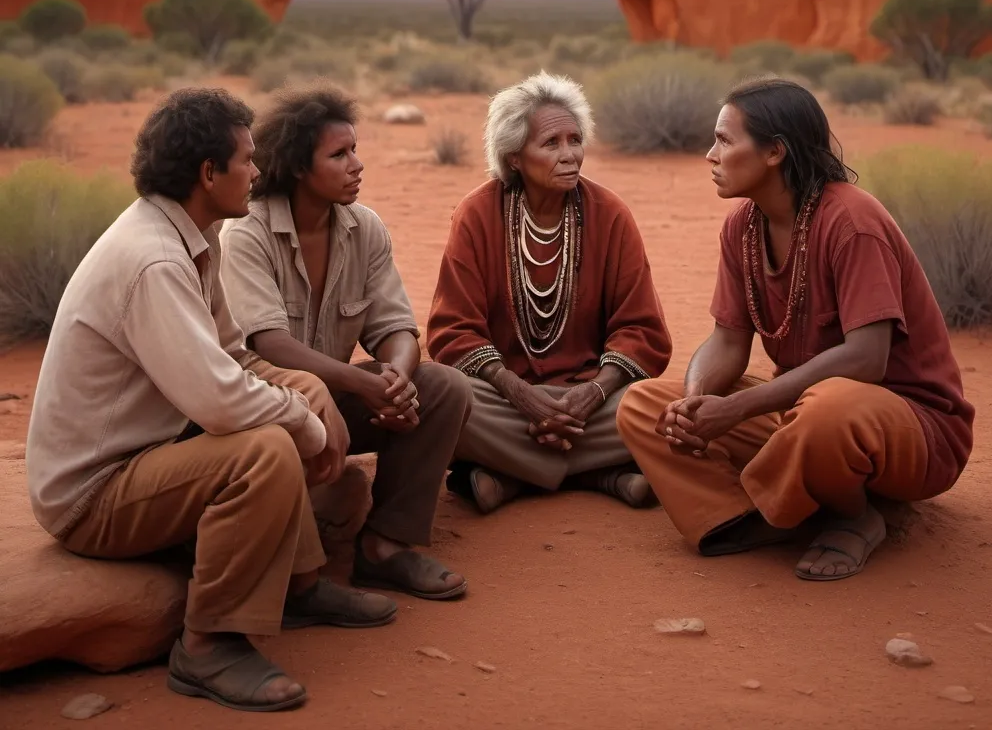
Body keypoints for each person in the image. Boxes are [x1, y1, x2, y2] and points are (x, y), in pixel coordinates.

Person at [26, 88, 396, 714]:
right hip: (92, 493)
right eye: (247, 160)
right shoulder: (154, 260)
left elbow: (238, 358)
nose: (257, 171)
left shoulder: (194, 234)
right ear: (208, 173)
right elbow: (221, 401)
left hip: (153, 452)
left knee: (290, 395)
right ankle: (208, 645)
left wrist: (307, 391)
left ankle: (299, 584)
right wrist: (306, 424)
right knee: (261, 451)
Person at [617, 77, 975, 581]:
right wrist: (697, 403)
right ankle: (757, 516)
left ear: (773, 152)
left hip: (910, 431)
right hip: (800, 416)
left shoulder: (852, 221)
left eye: (723, 140)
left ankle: (853, 516)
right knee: (644, 405)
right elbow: (726, 340)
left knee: (829, 409)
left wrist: (737, 407)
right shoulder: (742, 226)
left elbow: (866, 359)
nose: (708, 155)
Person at [219, 84, 472, 602]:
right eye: (339, 155)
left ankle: (385, 545)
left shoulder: (365, 229)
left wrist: (397, 378)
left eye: (354, 150)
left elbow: (397, 327)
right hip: (267, 407)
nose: (357, 165)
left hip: (335, 399)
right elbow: (267, 343)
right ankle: (299, 577)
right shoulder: (247, 234)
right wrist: (365, 382)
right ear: (295, 166)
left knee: (443, 388)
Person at [426, 72, 672, 514]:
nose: (570, 155)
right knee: (443, 399)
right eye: (551, 143)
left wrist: (594, 393)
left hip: (594, 401)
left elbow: (641, 328)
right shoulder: (477, 214)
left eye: (575, 139)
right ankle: (600, 474)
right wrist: (519, 393)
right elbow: (452, 330)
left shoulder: (609, 214)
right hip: (502, 401)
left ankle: (514, 476)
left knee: (659, 410)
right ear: (515, 157)